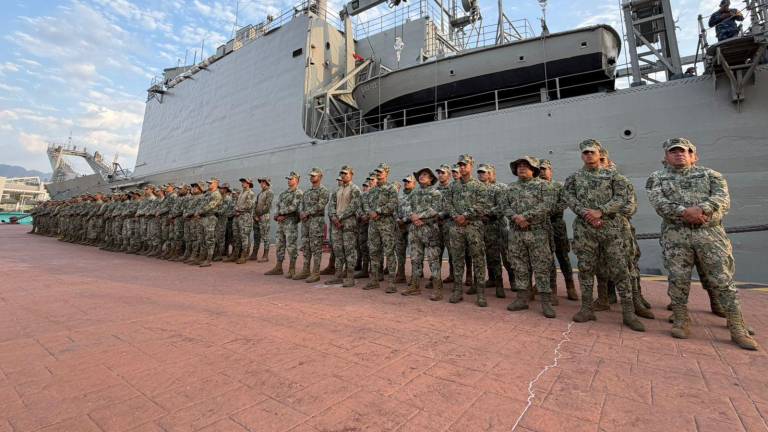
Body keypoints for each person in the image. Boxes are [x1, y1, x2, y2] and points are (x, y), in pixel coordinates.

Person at [646, 137, 757, 350]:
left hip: (711, 235)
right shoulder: (657, 178)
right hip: (676, 237)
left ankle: (736, 325)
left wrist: (702, 210)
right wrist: (684, 212)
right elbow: (660, 204)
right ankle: (680, 318)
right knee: (678, 279)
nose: (680, 154)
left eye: (685, 151)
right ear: (666, 156)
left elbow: (722, 200)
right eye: (674, 151)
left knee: (723, 279)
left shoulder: (711, 175)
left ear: (694, 156)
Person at [564, 139, 645, 331]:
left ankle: (628, 312)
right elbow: (569, 197)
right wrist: (586, 214)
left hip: (612, 229)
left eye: (592, 152)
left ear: (600, 154)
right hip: (585, 230)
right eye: (585, 153)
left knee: (620, 269)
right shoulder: (574, 178)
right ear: (581, 155)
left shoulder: (615, 177)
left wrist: (601, 211)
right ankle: (586, 308)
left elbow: (622, 197)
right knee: (586, 268)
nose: (588, 155)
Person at [504, 157, 556, 318]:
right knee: (519, 266)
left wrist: (526, 216)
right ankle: (522, 298)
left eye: (526, 166)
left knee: (541, 266)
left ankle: (545, 302)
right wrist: (515, 218)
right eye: (519, 166)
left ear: (533, 169)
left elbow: (548, 205)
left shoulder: (543, 186)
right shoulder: (510, 188)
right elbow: (504, 206)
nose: (522, 168)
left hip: (537, 233)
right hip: (516, 233)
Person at [445, 154, 490, 307]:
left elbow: (482, 205)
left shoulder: (479, 186)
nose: (462, 167)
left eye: (465, 164)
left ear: (471, 166)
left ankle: (481, 292)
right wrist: (455, 216)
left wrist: (465, 216)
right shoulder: (453, 186)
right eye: (460, 165)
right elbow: (447, 203)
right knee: (457, 258)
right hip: (456, 227)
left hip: (474, 227)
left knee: (478, 258)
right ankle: (457, 290)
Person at [539, 160, 578, 301]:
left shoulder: (559, 186)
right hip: (542, 226)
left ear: (551, 171)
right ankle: (552, 288)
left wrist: (548, 210)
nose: (542, 172)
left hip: (557, 226)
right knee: (547, 259)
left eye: (544, 169)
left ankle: (570, 286)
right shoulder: (536, 187)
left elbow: (564, 202)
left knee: (563, 257)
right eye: (540, 169)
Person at [402, 167, 443, 300]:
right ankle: (414, 286)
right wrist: (412, 216)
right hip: (414, 230)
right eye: (420, 175)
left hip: (429, 229)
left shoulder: (436, 193)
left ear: (431, 179)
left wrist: (418, 216)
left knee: (433, 259)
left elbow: (435, 209)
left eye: (425, 175)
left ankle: (437, 288)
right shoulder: (414, 193)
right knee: (415, 258)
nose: (421, 176)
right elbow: (406, 206)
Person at [364, 163, 399, 292]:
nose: (378, 174)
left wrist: (378, 211)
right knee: (373, 252)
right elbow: (366, 204)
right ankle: (374, 280)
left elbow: (393, 204)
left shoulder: (391, 189)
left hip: (386, 224)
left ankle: (391, 283)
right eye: (377, 172)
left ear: (387, 173)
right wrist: (370, 212)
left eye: (381, 172)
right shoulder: (372, 190)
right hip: (373, 225)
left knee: (389, 252)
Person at [328, 165, 362, 287]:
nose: (343, 175)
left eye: (346, 173)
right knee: (337, 250)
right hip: (336, 224)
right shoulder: (337, 190)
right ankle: (338, 275)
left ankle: (350, 276)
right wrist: (333, 217)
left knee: (349, 250)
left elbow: (354, 206)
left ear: (351, 175)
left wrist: (340, 217)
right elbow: (331, 205)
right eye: (342, 173)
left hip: (348, 224)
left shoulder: (355, 189)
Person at [265, 172, 303, 277]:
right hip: (281, 223)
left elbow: (294, 207)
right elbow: (278, 205)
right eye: (288, 179)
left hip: (290, 222)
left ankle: (292, 268)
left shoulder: (298, 193)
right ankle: (278, 267)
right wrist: (276, 215)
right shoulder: (284, 193)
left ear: (297, 180)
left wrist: (282, 214)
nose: (289, 180)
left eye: (291, 179)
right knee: (280, 244)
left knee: (291, 246)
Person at [296, 167, 330, 283]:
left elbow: (321, 205)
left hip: (316, 221)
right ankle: (306, 270)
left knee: (316, 247)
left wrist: (307, 212)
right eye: (310, 175)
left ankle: (316, 272)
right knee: (306, 246)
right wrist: (301, 212)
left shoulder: (324, 191)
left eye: (314, 175)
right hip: (306, 222)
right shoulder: (307, 192)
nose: (311, 177)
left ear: (320, 177)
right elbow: (302, 204)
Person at [195, 178, 223, 267]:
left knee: (209, 239)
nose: (209, 184)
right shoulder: (207, 193)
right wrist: (198, 212)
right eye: (208, 183)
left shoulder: (217, 194)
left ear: (216, 184)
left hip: (210, 218)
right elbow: (201, 203)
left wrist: (200, 212)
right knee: (202, 238)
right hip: (203, 218)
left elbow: (211, 206)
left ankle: (209, 259)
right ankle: (202, 257)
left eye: (211, 183)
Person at [396, 174, 417, 284]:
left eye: (408, 182)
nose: (406, 183)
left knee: (414, 252)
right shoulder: (401, 195)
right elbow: (395, 208)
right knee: (400, 251)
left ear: (414, 183)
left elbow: (416, 211)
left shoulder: (416, 195)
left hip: (411, 226)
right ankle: (400, 274)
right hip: (400, 227)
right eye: (405, 181)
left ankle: (415, 277)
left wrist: (404, 220)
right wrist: (398, 220)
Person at [230, 178, 256, 264]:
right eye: (242, 182)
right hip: (238, 217)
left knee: (244, 237)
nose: (242, 183)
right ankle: (236, 254)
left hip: (245, 218)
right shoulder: (241, 193)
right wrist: (236, 210)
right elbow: (236, 204)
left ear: (248, 183)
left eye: (244, 182)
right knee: (236, 237)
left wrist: (238, 210)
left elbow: (249, 206)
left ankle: (244, 255)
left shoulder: (250, 193)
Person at [252, 177, 274, 262]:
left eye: (263, 182)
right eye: (261, 182)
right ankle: (254, 254)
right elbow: (255, 204)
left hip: (264, 217)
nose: (261, 184)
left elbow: (267, 206)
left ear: (267, 183)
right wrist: (254, 215)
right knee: (256, 236)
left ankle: (265, 255)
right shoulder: (260, 193)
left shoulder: (269, 192)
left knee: (265, 236)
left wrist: (259, 214)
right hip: (257, 217)